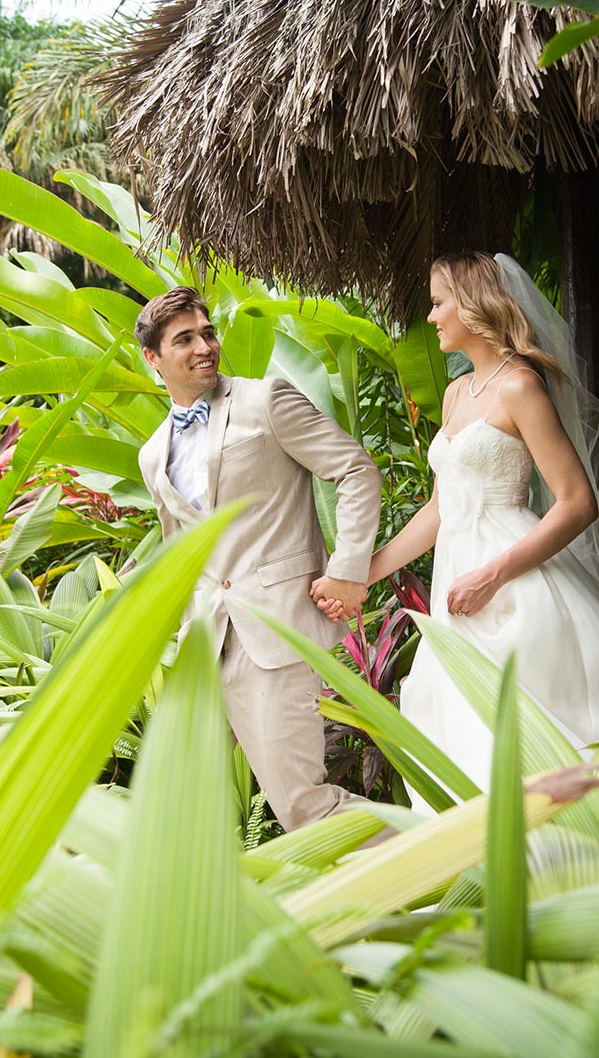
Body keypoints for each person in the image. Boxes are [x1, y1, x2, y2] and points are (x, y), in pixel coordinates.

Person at [349, 252, 599, 798]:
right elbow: (438, 512)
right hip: (457, 585)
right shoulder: (454, 393)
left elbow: (576, 502)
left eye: (438, 302)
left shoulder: (520, 387)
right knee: (464, 728)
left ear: (472, 304)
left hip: (517, 582)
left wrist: (493, 576)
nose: (432, 317)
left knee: (536, 728)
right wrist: (363, 575)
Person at [135, 286, 382, 832]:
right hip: (205, 646)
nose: (204, 346)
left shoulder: (265, 400)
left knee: (302, 805)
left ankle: (446, 868)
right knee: (178, 802)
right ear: (153, 357)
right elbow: (182, 549)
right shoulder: (152, 453)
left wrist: (346, 568)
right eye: (185, 339)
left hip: (275, 631)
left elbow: (355, 470)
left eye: (207, 332)